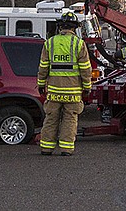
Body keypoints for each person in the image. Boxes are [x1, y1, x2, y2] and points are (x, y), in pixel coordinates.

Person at [37, 11, 92, 156]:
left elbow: (43, 67)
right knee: (70, 119)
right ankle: (66, 149)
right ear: (74, 28)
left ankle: (46, 148)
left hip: (54, 91)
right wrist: (87, 87)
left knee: (51, 118)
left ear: (60, 26)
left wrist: (41, 85)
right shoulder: (79, 44)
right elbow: (86, 69)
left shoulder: (50, 43)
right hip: (73, 92)